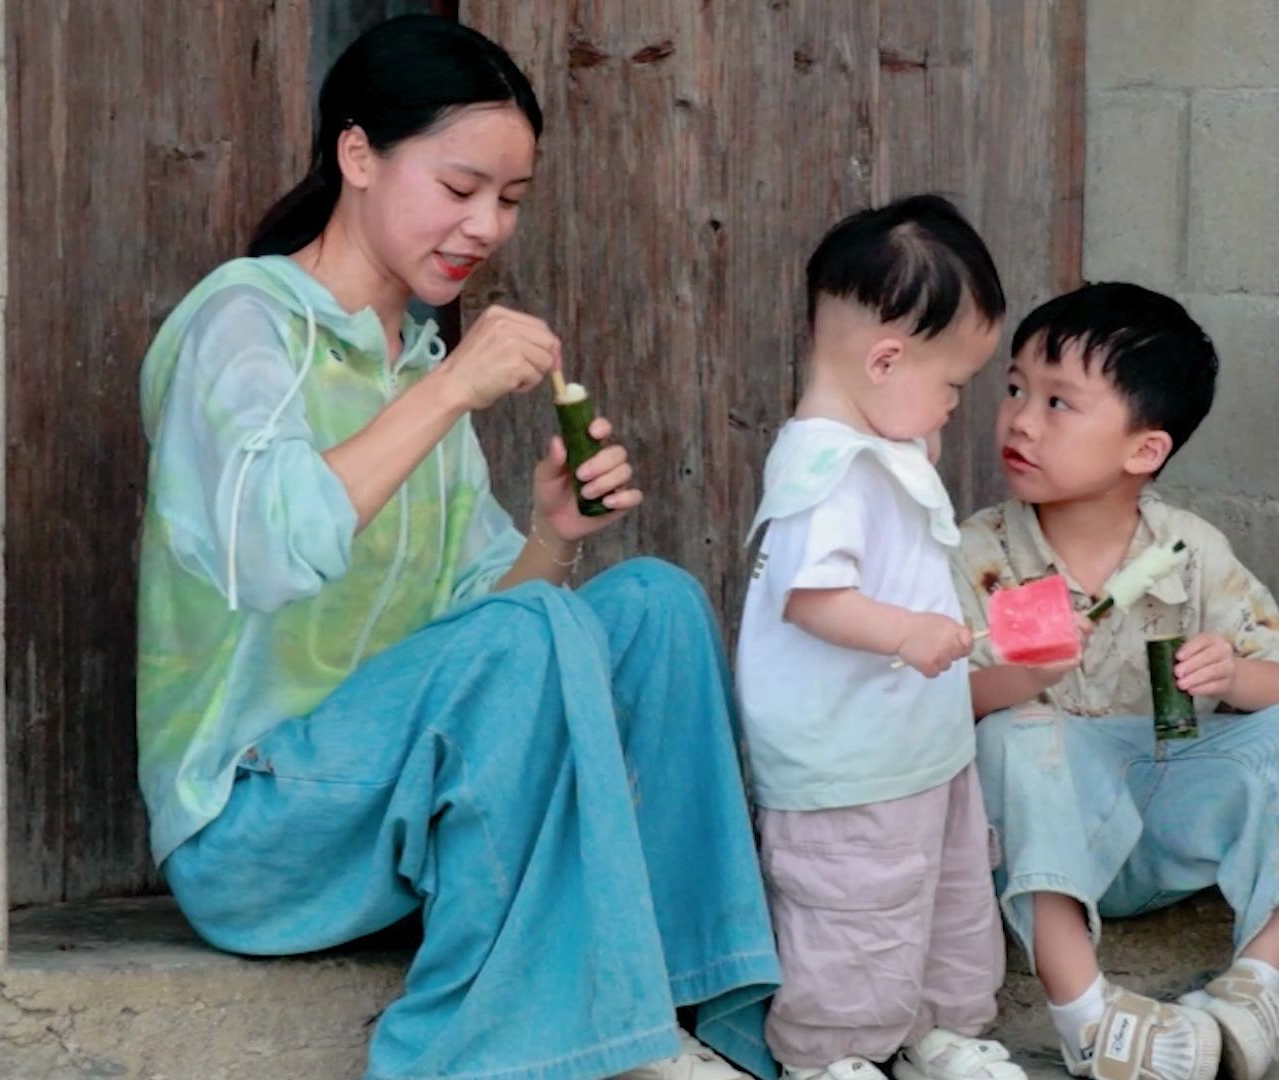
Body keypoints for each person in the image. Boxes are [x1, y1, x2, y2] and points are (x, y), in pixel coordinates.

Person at [134, 16, 778, 1080]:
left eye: (510, 201)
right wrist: (449, 392)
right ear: (357, 157)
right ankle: (503, 1051)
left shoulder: (419, 359)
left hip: (388, 826)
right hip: (254, 838)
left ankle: (678, 1007)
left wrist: (551, 538)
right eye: (460, 186)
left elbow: (482, 644)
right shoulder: (244, 324)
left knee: (654, 604)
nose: (485, 225)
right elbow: (268, 553)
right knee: (528, 631)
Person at [952, 284, 1279, 1080]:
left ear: (1143, 450)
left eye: (1058, 402)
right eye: (1014, 388)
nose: (1020, 419)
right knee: (1020, 732)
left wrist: (1237, 673)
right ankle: (1087, 1017)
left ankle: (1254, 988)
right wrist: (1019, 677)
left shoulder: (1189, 549)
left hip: (1167, 811)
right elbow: (942, 708)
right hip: (1044, 832)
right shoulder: (978, 554)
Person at [735, 195, 1024, 1080]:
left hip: (914, 748)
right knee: (854, 907)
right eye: (951, 387)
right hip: (846, 762)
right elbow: (813, 598)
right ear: (886, 358)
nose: (951, 408)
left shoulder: (878, 443)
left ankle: (939, 1027)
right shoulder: (824, 467)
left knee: (944, 894)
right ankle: (833, 1054)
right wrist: (908, 633)